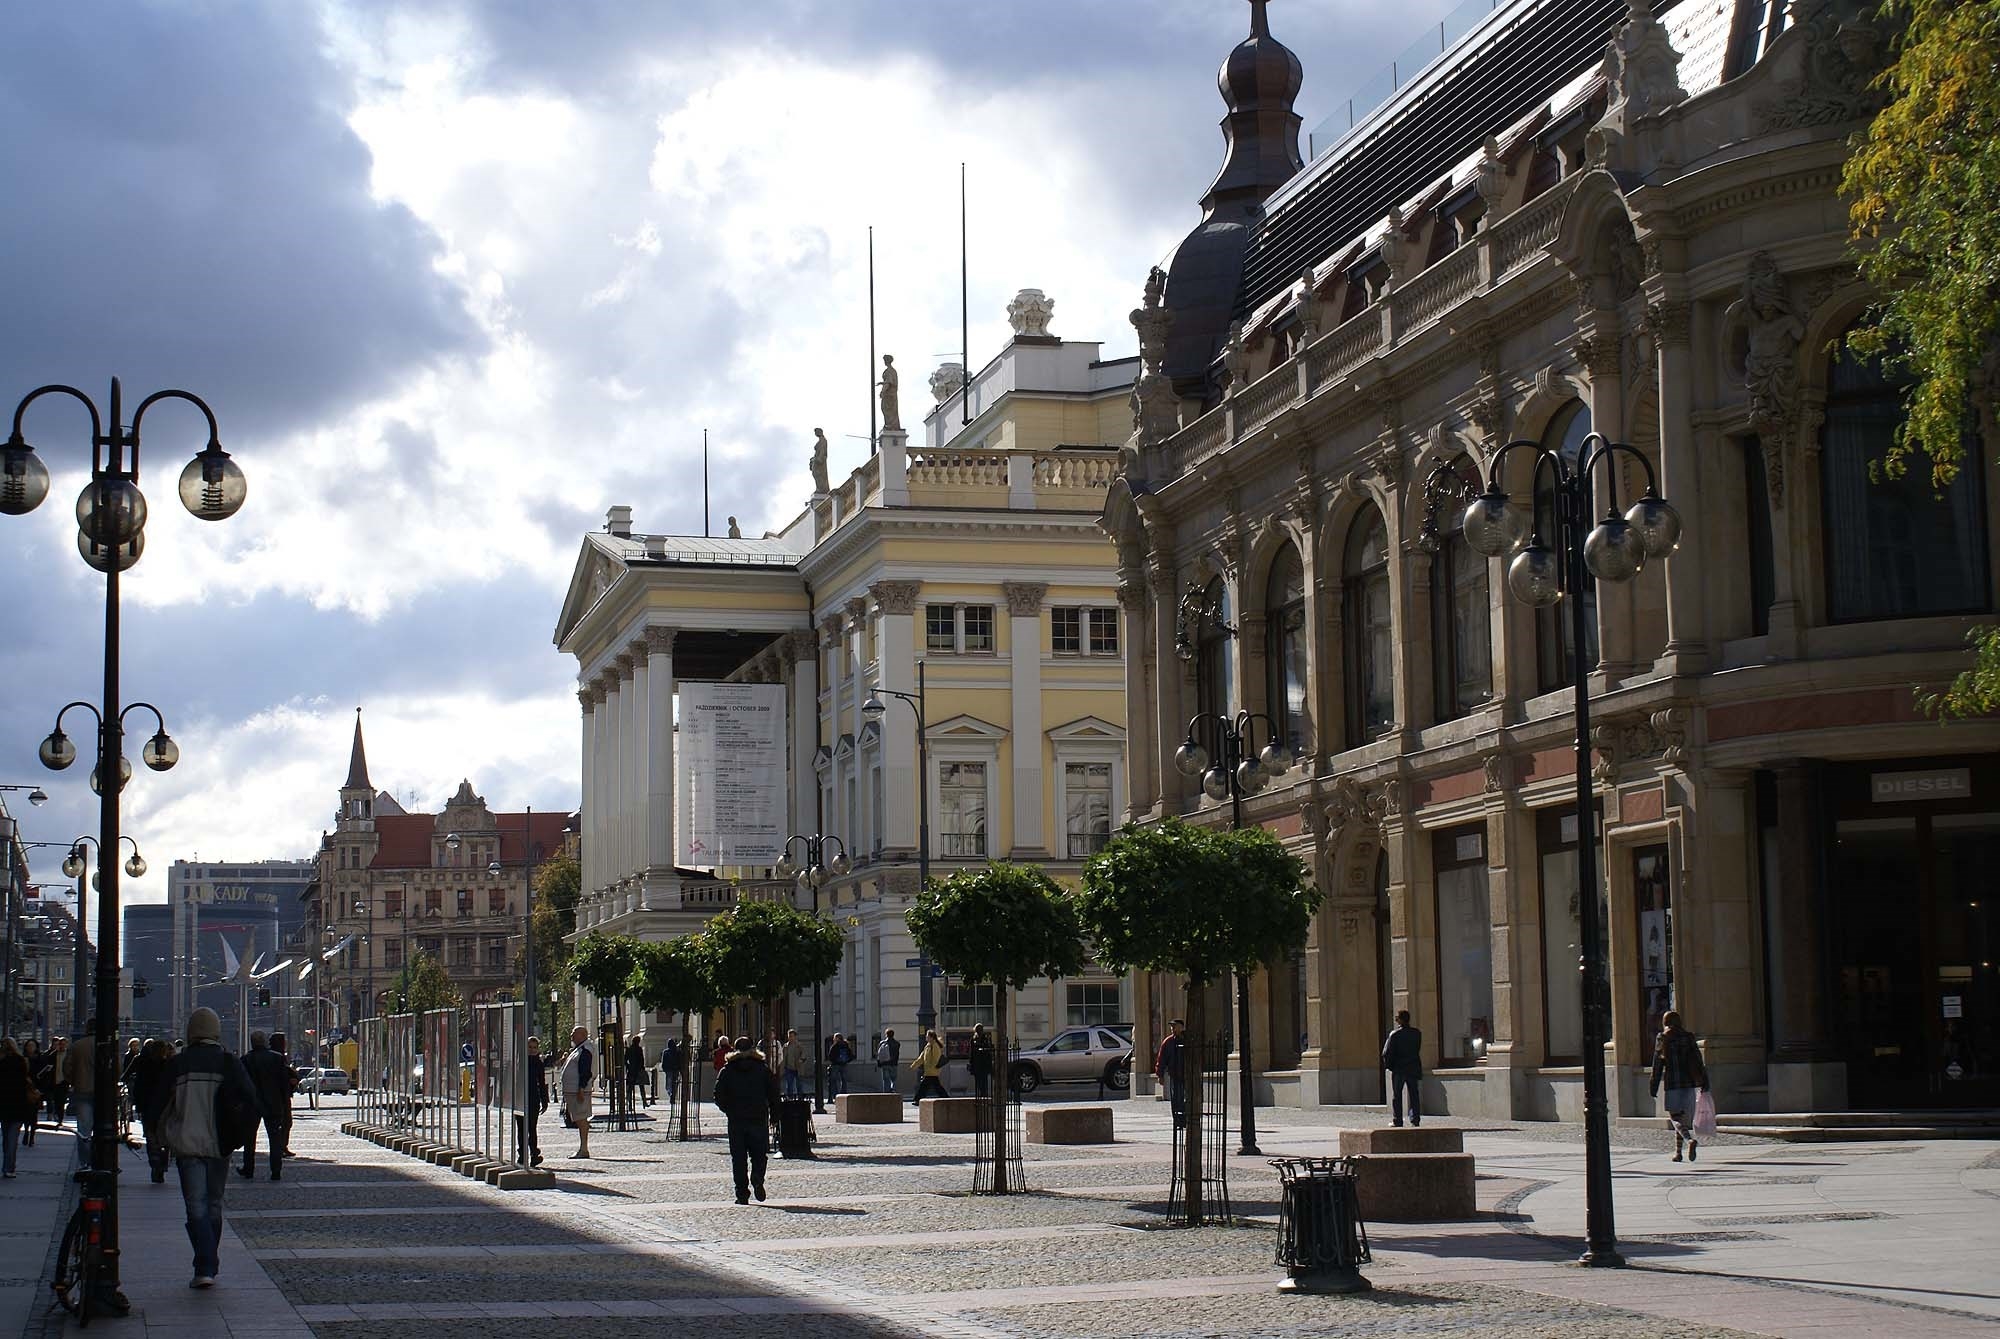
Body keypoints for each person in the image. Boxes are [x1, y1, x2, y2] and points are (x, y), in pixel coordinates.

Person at [160, 1006, 261, 1288]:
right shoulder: (228, 1062)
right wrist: (239, 1134)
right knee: (214, 1204)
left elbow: (158, 1104)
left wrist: (162, 1135)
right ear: (216, 1031)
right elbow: (252, 1100)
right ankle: (208, 1262)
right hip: (220, 1144)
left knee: (196, 1206)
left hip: (187, 1143)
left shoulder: (179, 1064)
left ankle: (205, 1264)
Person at [712, 1035, 778, 1204]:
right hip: (758, 1117)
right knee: (759, 1154)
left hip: (736, 1120)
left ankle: (742, 1194)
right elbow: (773, 1093)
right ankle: (757, 1177)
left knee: (738, 1158)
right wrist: (774, 1114)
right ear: (752, 1049)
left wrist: (729, 1110)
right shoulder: (762, 1069)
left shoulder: (727, 1070)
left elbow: (718, 1095)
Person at [1650, 1009, 1711, 1162]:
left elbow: (1657, 1062)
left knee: (1675, 1118)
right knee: (1682, 1118)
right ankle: (1678, 1153)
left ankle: (1689, 1140)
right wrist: (1704, 1079)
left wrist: (1654, 1084)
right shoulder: (1688, 1037)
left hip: (1672, 1083)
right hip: (1689, 1082)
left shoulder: (1663, 1037)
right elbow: (1698, 1059)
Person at [239, 1031, 297, 1180]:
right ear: (264, 1042)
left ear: (252, 1043)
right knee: (275, 1138)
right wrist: (284, 1102)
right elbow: (283, 1083)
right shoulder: (277, 1058)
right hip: (273, 1103)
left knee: (249, 1138)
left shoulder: (245, 1059)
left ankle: (248, 1169)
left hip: (252, 1104)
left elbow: (241, 1084)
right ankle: (276, 1171)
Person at [127, 1037, 172, 1182]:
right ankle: (163, 1163)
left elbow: (129, 1077)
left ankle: (154, 1161)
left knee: (150, 1134)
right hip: (164, 1104)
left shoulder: (142, 1062)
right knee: (164, 1135)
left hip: (147, 1104)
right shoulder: (168, 1064)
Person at [1382, 1010, 1424, 1128]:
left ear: (1400, 1020)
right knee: (1414, 1094)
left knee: (1397, 1095)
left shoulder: (1395, 1034)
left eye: (1397, 1017)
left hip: (1399, 1068)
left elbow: (1387, 1052)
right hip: (1412, 1067)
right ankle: (1415, 1119)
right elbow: (1417, 1049)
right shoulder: (1416, 1033)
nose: (1395, 1019)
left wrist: (1389, 1066)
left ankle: (1398, 1120)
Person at [0, 1038, 35, 1178]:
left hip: (3, 1103)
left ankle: (6, 1164)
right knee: (13, 1137)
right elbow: (26, 1080)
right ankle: (9, 1167)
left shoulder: (1, 1062)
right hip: (18, 1102)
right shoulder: (22, 1061)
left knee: (5, 1136)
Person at [64, 1021, 98, 1157]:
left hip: (82, 1089)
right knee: (104, 1127)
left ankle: (85, 1160)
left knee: (84, 1129)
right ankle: (100, 1157)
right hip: (103, 1093)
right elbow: (117, 1068)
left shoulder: (77, 1046)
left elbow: (67, 1068)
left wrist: (73, 1081)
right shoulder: (108, 1044)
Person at [560, 1026, 595, 1158]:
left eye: (574, 1033)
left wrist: (581, 1088)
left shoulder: (585, 1050)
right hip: (573, 1090)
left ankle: (584, 1149)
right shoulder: (579, 1049)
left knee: (581, 1119)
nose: (571, 1036)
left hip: (578, 1091)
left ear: (582, 1035)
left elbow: (585, 1071)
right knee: (579, 1118)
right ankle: (582, 1148)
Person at [517, 1036, 547, 1166]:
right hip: (519, 1098)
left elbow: (542, 1083)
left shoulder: (538, 1063)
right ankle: (522, 1155)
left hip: (533, 1099)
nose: (532, 1050)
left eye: (535, 1047)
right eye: (530, 1047)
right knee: (521, 1129)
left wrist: (544, 1100)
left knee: (532, 1128)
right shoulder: (519, 1061)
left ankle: (534, 1154)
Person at [1154, 1019, 1186, 1128]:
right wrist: (1160, 1075)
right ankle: (1178, 1122)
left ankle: (1187, 1120)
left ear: (1181, 1027)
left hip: (1188, 1074)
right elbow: (1161, 1059)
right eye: (1172, 1027)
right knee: (1176, 1099)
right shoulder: (1168, 1042)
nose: (1173, 1029)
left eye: (1175, 1026)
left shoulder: (1187, 1040)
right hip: (1175, 1075)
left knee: (1187, 1098)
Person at [911, 1029, 947, 1104]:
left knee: (924, 1086)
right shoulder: (927, 1046)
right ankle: (946, 1098)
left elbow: (936, 1059)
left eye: (927, 1036)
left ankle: (917, 1099)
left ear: (931, 1037)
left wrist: (932, 1068)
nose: (926, 1037)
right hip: (929, 1071)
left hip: (932, 1071)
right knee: (937, 1087)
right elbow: (921, 1058)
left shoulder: (935, 1046)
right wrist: (914, 1065)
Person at [43, 1037, 68, 1134]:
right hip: (54, 1081)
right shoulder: (52, 1055)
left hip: (64, 1081)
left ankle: (60, 1118)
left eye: (64, 1044)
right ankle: (57, 1114)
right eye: (60, 1044)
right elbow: (48, 1068)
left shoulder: (69, 1055)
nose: (62, 1046)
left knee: (62, 1101)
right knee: (56, 1100)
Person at [21, 1040, 44, 1145]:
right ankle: (26, 1131)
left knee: (34, 1113)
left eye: (33, 1045)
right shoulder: (22, 1059)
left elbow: (44, 1074)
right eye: (29, 1045)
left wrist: (40, 1089)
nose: (30, 1047)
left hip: (36, 1089)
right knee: (26, 1113)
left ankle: (32, 1135)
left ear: (36, 1047)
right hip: (25, 1089)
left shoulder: (40, 1059)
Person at [967, 1024, 995, 1099]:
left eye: (981, 1029)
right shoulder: (973, 1039)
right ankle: (980, 1094)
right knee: (978, 1081)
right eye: (978, 1029)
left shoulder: (985, 1038)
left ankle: (984, 1094)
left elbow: (988, 1051)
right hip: (976, 1063)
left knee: (984, 1080)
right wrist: (971, 1062)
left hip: (984, 1063)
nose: (980, 1031)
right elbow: (971, 1052)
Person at [624, 1034, 649, 1109]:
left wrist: (628, 1066)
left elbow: (625, 1060)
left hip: (631, 1070)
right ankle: (644, 1102)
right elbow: (642, 1059)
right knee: (641, 1087)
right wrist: (642, 1068)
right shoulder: (639, 1049)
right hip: (638, 1070)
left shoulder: (629, 1049)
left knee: (630, 1088)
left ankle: (629, 1104)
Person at [780, 1029, 805, 1100]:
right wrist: (782, 1069)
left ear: (795, 1037)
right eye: (789, 1036)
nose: (790, 1038)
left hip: (798, 1068)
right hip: (789, 1068)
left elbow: (803, 1054)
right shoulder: (785, 1046)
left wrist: (801, 1059)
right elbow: (783, 1058)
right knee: (789, 1085)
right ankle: (790, 1098)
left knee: (799, 1085)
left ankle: (800, 1098)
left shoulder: (799, 1045)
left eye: (791, 1036)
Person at [661, 1035, 683, 1108]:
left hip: (670, 1070)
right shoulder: (676, 1052)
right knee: (673, 1084)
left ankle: (672, 1095)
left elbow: (663, 1061)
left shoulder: (667, 1052)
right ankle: (672, 1095)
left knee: (669, 1084)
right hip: (673, 1070)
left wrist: (664, 1068)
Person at [826, 1033, 851, 1098]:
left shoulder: (835, 1046)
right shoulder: (846, 1045)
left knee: (834, 1080)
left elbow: (830, 1056)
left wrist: (833, 1061)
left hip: (835, 1065)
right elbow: (850, 1054)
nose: (833, 1039)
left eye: (834, 1038)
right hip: (844, 1064)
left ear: (837, 1038)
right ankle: (844, 1093)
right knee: (844, 1080)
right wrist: (846, 1061)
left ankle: (836, 1094)